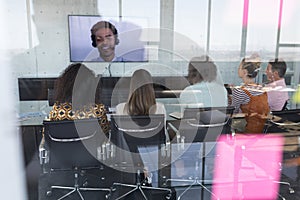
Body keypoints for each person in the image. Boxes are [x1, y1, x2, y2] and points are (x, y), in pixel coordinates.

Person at [48, 63, 110, 134]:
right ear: (91, 86)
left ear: (65, 86)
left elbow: (48, 135)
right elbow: (105, 133)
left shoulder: (58, 111)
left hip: (62, 145)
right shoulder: (98, 111)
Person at [231, 54, 270, 133]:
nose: (238, 69)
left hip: (246, 128)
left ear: (245, 72)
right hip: (260, 128)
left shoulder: (240, 90)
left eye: (239, 67)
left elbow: (233, 111)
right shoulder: (262, 89)